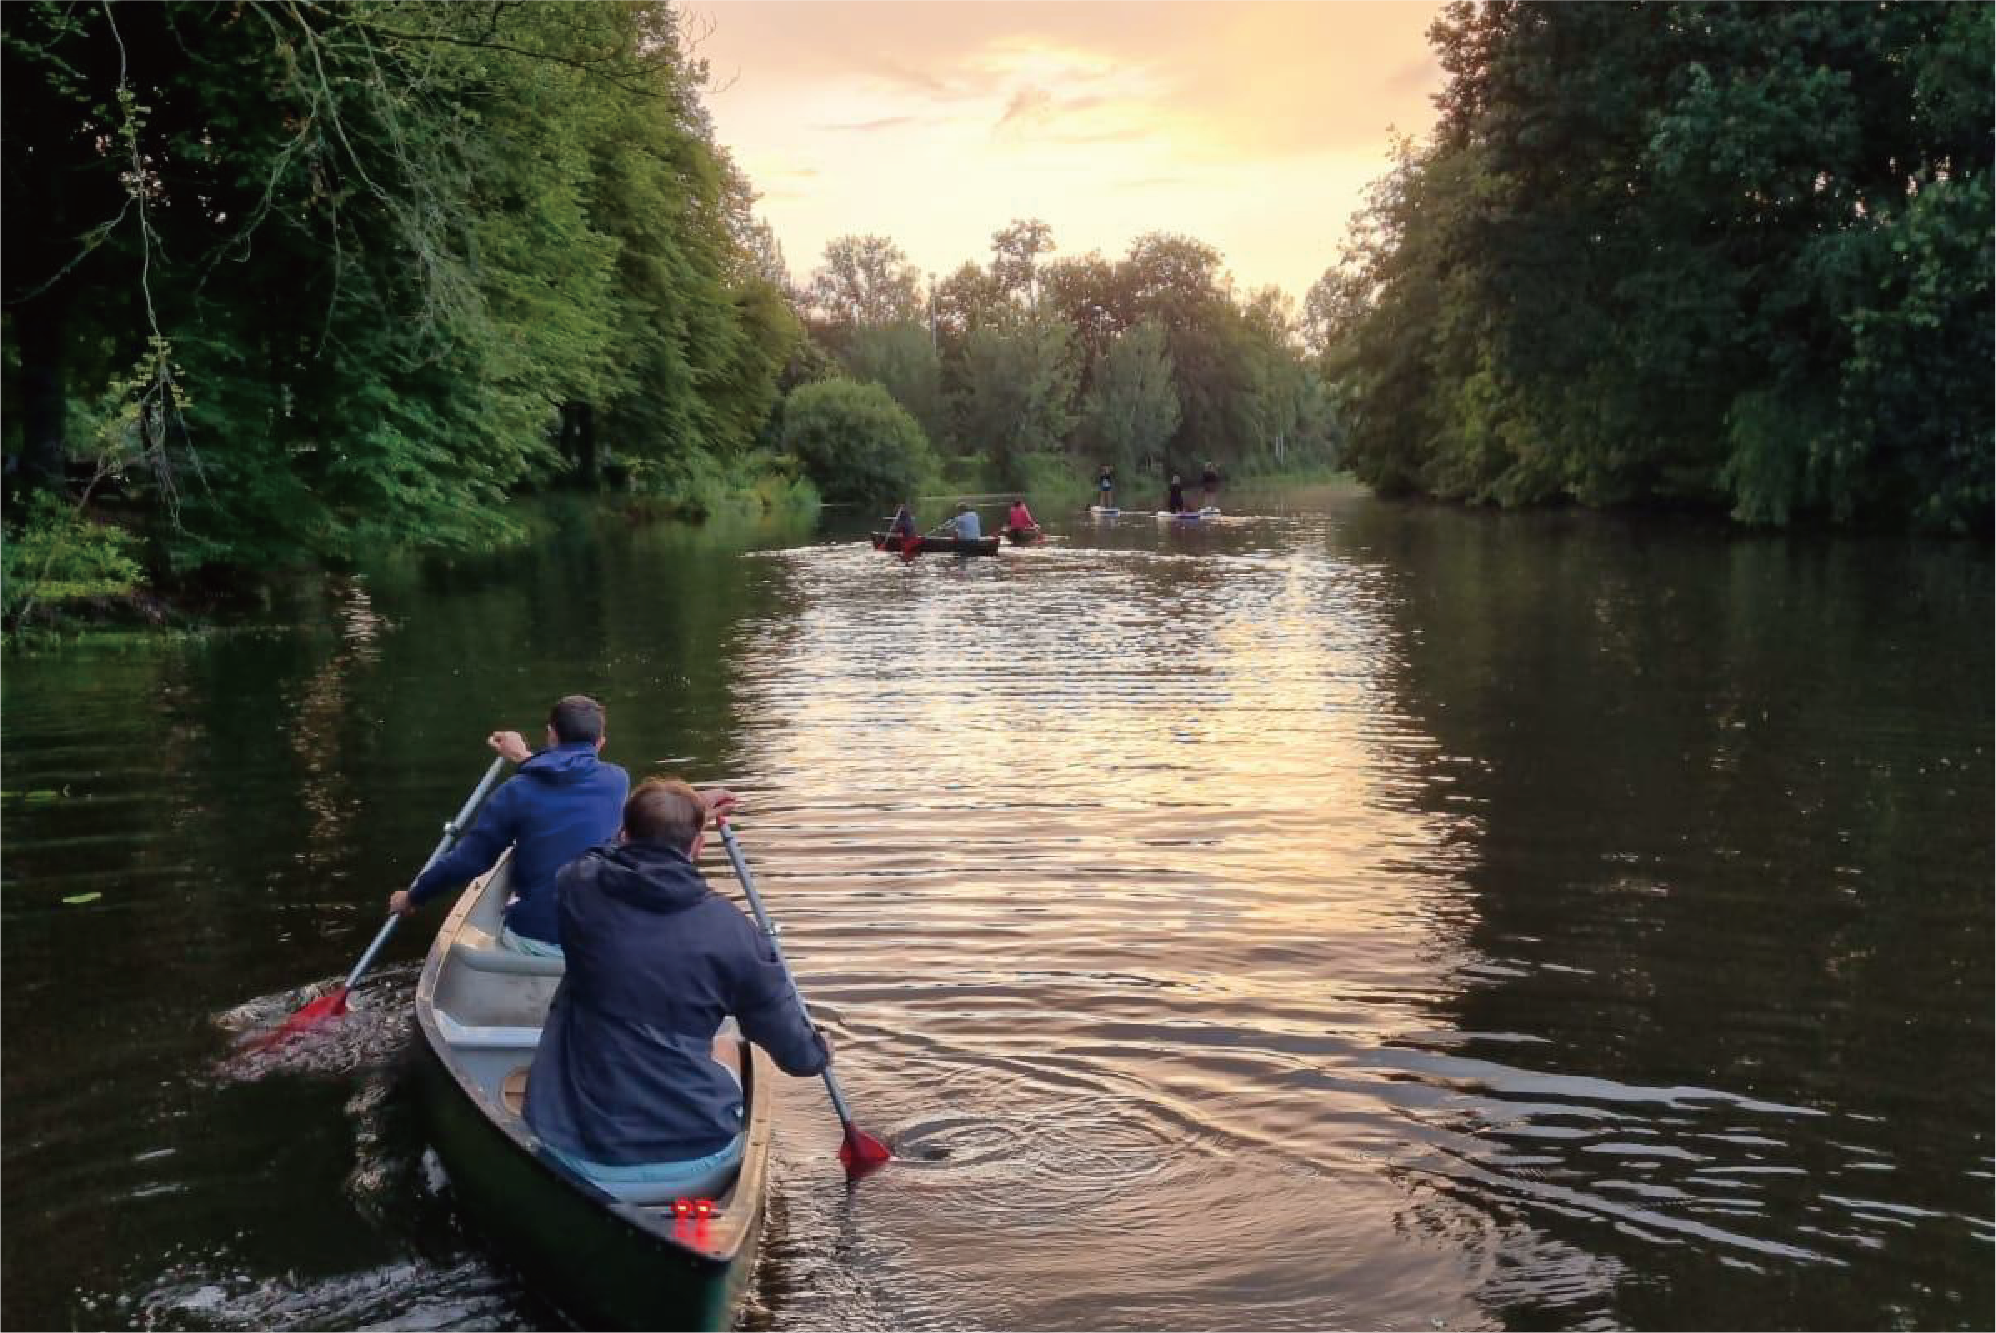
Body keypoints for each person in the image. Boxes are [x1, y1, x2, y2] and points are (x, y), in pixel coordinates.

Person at [524, 780, 831, 1198]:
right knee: (726, 1042)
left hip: (576, 1146)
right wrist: (820, 1051)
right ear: (699, 846)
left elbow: (594, 851)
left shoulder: (578, 885)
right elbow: (798, 1058)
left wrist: (679, 810)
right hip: (697, 1151)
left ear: (624, 835)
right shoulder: (734, 931)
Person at [389, 695, 628, 956]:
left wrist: (413, 897)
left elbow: (469, 861)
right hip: (599, 936)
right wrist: (524, 757)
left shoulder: (516, 792)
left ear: (551, 735)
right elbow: (569, 770)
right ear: (601, 743)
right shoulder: (617, 781)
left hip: (538, 939)